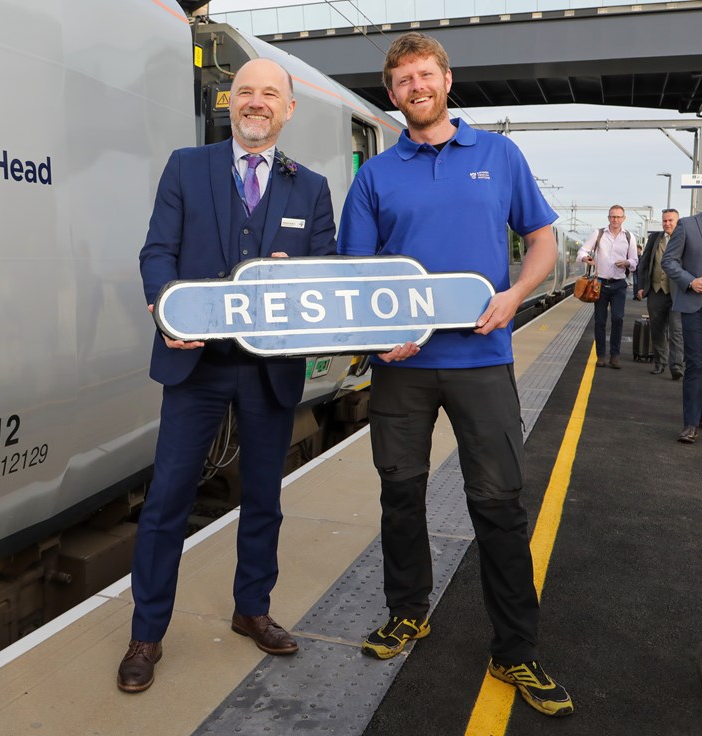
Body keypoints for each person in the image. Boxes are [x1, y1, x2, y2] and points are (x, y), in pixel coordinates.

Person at [337, 32, 573, 717]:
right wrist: (379, 336)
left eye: (424, 74)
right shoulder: (376, 175)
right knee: (399, 495)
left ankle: (515, 650)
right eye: (402, 79)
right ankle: (407, 611)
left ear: (446, 80)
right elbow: (357, 274)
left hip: (480, 361)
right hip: (403, 370)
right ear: (391, 96)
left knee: (498, 505)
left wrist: (514, 296)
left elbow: (541, 241)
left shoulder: (498, 155)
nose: (415, 86)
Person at [122, 57, 337, 693]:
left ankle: (252, 609)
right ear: (228, 101)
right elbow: (157, 250)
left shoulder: (312, 187)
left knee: (264, 497)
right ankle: (146, 634)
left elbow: (324, 273)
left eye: (270, 93)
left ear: (288, 109)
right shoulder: (186, 168)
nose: (256, 102)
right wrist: (165, 309)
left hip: (269, 369)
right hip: (197, 363)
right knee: (167, 501)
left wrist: (293, 278)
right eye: (245, 91)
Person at [577, 207, 638, 368]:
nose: (615, 220)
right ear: (608, 217)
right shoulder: (598, 234)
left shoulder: (629, 237)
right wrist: (586, 258)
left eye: (618, 217)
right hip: (600, 284)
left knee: (618, 318)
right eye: (612, 217)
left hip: (619, 284)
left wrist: (627, 263)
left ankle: (615, 355)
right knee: (600, 321)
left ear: (624, 218)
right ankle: (601, 356)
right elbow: (582, 250)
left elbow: (634, 260)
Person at [660, 212, 702, 443]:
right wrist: (690, 281)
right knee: (696, 363)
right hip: (694, 306)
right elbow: (668, 261)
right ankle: (691, 424)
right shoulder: (687, 225)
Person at [636, 209, 684, 379]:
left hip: (677, 293)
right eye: (664, 221)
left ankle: (677, 366)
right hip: (656, 291)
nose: (667, 224)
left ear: (677, 222)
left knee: (676, 330)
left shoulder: (684, 239)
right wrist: (640, 287)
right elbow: (643, 264)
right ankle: (660, 363)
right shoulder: (655, 238)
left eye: (671, 220)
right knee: (657, 330)